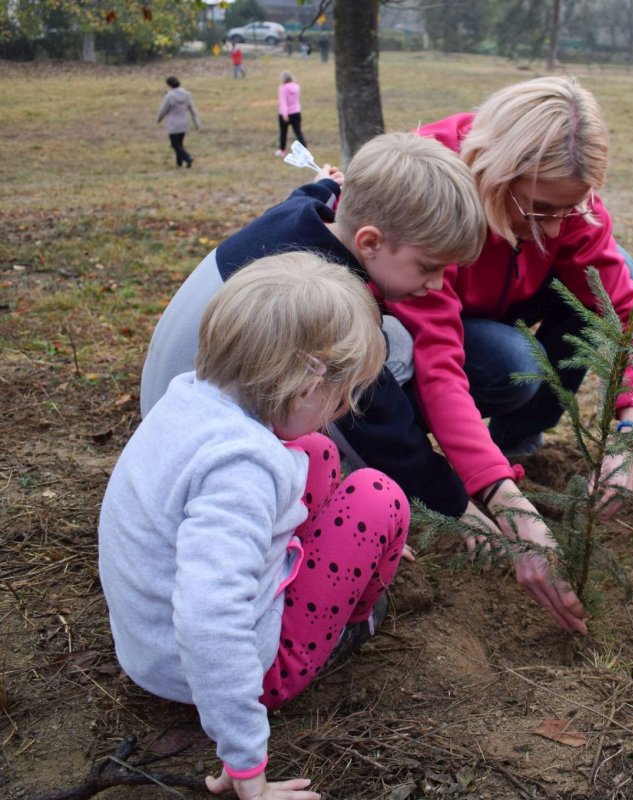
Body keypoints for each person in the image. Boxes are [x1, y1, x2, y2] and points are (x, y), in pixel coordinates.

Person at [100, 253, 404, 800]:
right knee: (377, 499)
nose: (340, 412)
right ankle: (353, 626)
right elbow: (209, 617)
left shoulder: (191, 398)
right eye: (340, 397)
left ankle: (326, 562)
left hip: (150, 649)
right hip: (218, 672)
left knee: (314, 453)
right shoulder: (240, 469)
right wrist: (246, 765)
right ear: (307, 382)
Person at [399, 77, 633, 634]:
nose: (551, 228)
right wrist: (506, 506)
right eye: (537, 208)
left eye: (568, 209)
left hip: (508, 298)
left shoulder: (565, 207)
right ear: (491, 169)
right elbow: (437, 363)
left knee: (623, 267)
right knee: (513, 361)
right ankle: (475, 465)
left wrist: (629, 431)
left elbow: (626, 312)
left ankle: (513, 441)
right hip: (426, 326)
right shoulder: (433, 186)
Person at [139, 133, 484, 525]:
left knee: (394, 339)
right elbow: (380, 421)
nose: (438, 284)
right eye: (427, 266)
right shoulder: (324, 301)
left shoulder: (304, 215)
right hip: (198, 449)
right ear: (369, 241)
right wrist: (455, 504)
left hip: (168, 400)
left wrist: (327, 184)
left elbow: (307, 193)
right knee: (368, 369)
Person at [156, 76, 199, 169]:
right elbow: (192, 109)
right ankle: (179, 163)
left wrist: (158, 119)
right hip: (184, 122)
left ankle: (188, 157)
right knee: (180, 144)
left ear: (169, 85)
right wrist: (197, 123)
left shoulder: (169, 96)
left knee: (174, 144)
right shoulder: (187, 94)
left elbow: (163, 110)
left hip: (173, 123)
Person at [276, 70, 305, 158]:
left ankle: (282, 150)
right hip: (296, 112)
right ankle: (304, 149)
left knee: (283, 133)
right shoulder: (296, 87)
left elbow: (283, 102)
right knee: (298, 132)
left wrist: (284, 114)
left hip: (285, 114)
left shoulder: (282, 88)